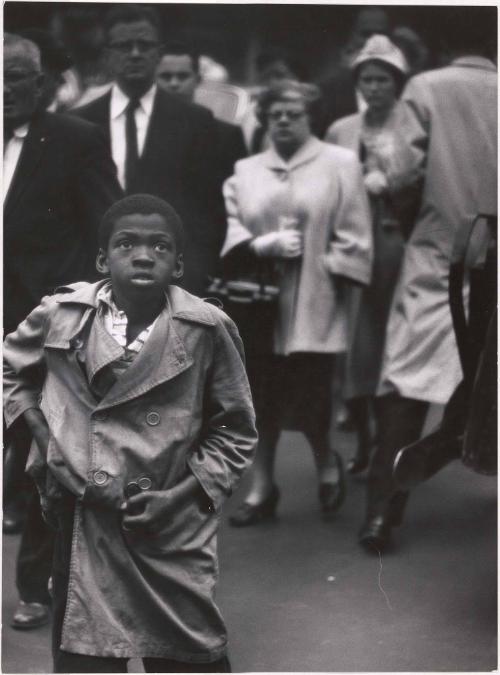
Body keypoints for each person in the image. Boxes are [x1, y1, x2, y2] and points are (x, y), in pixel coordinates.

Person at [3, 193, 258, 673]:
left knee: (188, 655)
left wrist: (183, 495)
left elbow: (236, 430)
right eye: (126, 244)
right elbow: (9, 370)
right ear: (103, 258)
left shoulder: (205, 328)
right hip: (82, 518)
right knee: (84, 655)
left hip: (167, 523)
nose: (143, 255)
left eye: (160, 247)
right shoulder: (62, 314)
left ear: (179, 264)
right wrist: (39, 431)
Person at [359, 7, 497, 551]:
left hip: (442, 253)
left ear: (440, 46)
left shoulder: (427, 87)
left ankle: (380, 514)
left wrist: (406, 206)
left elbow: (402, 170)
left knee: (406, 384)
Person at [3, 32, 122, 629]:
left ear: (41, 82)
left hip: (40, 325)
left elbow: (109, 229)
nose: (3, 90)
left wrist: (74, 310)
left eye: (16, 77)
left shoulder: (73, 140)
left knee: (40, 452)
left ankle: (36, 585)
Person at [221, 80, 372, 526]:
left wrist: (324, 262)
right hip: (259, 302)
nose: (283, 121)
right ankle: (263, 485)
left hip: (315, 299)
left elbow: (356, 234)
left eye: (294, 114)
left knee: (310, 398)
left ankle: (326, 460)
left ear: (310, 118)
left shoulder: (339, 163)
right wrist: (261, 243)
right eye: (275, 115)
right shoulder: (246, 169)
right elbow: (228, 224)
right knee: (259, 397)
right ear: (264, 119)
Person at [73, 4, 227, 297]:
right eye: (123, 45)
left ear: (158, 52)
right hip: (94, 285)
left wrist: (191, 280)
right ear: (106, 55)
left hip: (172, 286)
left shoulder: (195, 121)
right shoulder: (78, 123)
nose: (134, 53)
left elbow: (209, 213)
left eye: (144, 45)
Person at [326, 36, 423, 475]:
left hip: (398, 244)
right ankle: (364, 443)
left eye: (383, 79)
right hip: (353, 245)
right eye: (367, 79)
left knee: (393, 346)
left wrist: (395, 183)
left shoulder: (416, 127)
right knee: (356, 349)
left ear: (398, 82)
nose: (375, 87)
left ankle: (393, 445)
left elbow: (427, 187)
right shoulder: (342, 130)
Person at [156, 41, 247, 189]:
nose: (174, 83)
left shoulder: (227, 136)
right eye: (165, 77)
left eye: (183, 76)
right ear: (153, 81)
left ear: (197, 80)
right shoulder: (139, 131)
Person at [317, 7, 391, 135]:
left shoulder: (404, 84)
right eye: (366, 34)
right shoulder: (330, 87)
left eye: (380, 34)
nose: (373, 41)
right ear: (352, 36)